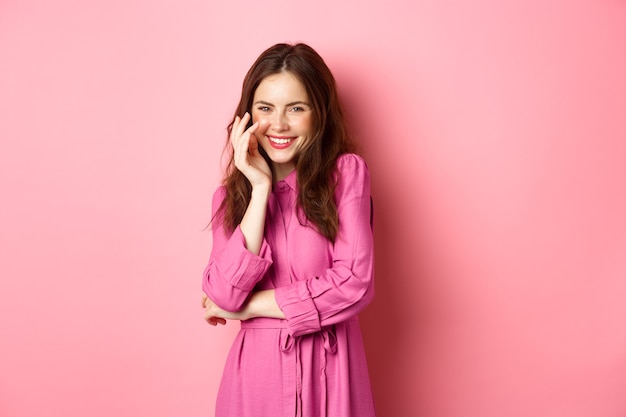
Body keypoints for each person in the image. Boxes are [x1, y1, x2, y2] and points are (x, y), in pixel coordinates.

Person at [201, 43, 376, 417]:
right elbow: (222, 293)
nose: (278, 125)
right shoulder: (227, 200)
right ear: (247, 117)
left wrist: (252, 307)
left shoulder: (345, 176)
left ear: (319, 114)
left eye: (296, 108)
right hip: (255, 383)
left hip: (332, 376)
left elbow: (353, 283)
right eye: (265, 109)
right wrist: (260, 190)